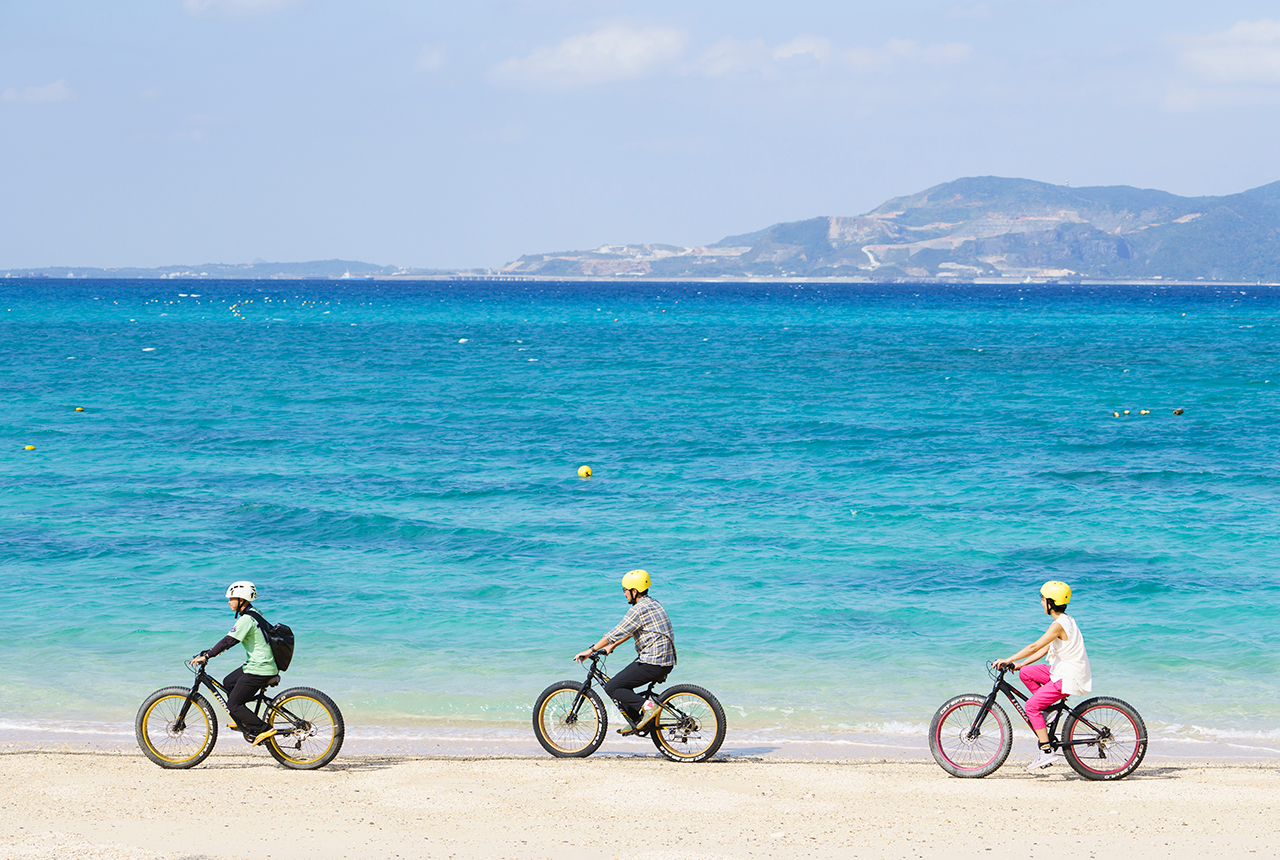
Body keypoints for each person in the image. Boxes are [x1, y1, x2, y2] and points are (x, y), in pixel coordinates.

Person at [995, 580, 1092, 772]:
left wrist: (1007, 659)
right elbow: (1045, 648)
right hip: (1062, 671)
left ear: (1051, 602)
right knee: (1026, 673)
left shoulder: (1059, 625)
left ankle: (1046, 750)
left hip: (1067, 677)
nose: (1040, 602)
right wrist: (1021, 663)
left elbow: (1035, 646)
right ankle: (1049, 710)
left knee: (1031, 706)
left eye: (1042, 598)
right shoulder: (1066, 620)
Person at [575, 569, 676, 734]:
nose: (624, 594)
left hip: (653, 661)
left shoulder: (637, 610)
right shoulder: (653, 603)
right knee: (623, 684)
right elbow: (632, 630)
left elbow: (615, 632)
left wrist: (590, 650)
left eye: (625, 590)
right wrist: (612, 646)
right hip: (665, 661)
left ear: (634, 591)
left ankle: (649, 707)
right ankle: (636, 720)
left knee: (612, 687)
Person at [191, 581, 279, 747]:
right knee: (229, 683)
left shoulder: (246, 619)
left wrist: (208, 655)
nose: (229, 601)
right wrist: (213, 651)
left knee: (233, 704)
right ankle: (243, 720)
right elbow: (232, 641)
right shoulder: (255, 613)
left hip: (259, 668)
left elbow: (228, 641)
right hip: (263, 664)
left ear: (242, 599)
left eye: (232, 598)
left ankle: (263, 728)